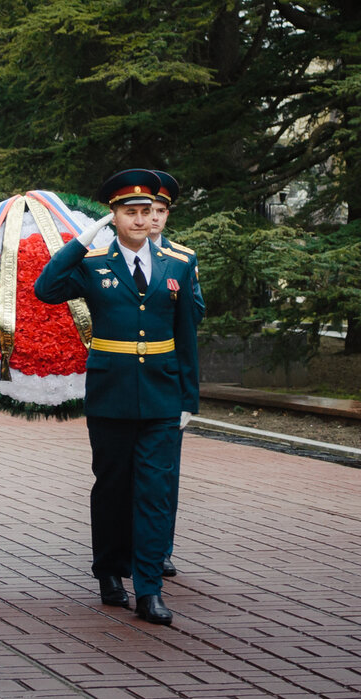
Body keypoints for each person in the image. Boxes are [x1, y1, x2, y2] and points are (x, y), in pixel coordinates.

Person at [34, 169, 200, 625]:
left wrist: (189, 398)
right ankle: (109, 572)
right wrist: (79, 242)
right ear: (114, 217)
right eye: (130, 212)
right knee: (111, 488)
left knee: (153, 493)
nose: (141, 219)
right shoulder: (93, 264)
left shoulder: (178, 265)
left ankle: (149, 590)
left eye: (147, 211)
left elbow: (186, 337)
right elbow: (45, 289)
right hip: (110, 394)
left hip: (163, 396)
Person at [149, 170, 205, 579]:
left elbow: (194, 314)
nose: (152, 218)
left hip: (165, 375)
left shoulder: (183, 260)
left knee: (165, 474)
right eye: (145, 210)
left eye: (160, 211)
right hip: (124, 374)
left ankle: (160, 549)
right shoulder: (108, 255)